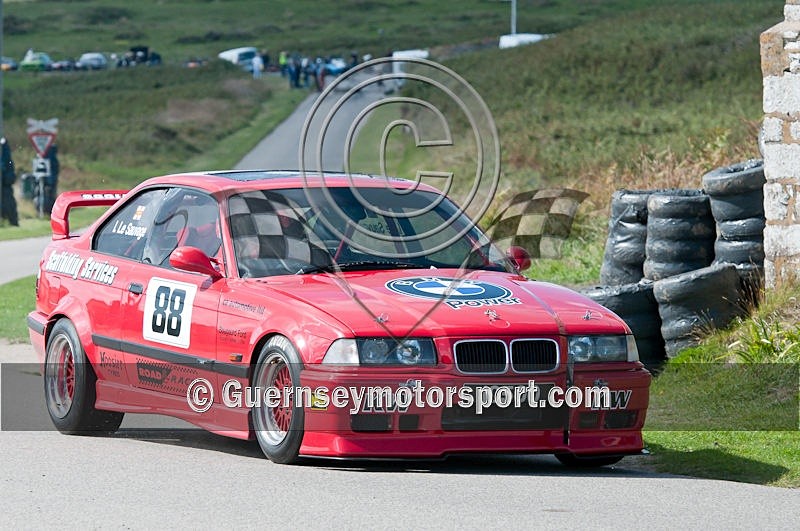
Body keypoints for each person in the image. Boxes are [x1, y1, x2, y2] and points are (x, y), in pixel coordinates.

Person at [1, 137, 19, 226]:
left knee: (9, 204)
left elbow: (11, 173)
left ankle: (13, 223)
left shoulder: (5, 153)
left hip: (5, 188)